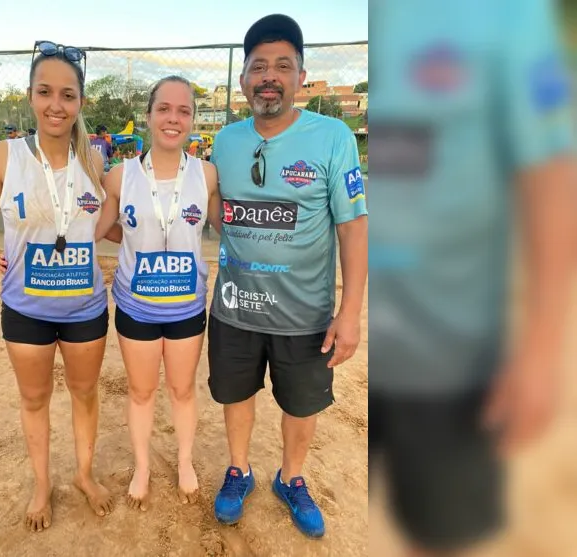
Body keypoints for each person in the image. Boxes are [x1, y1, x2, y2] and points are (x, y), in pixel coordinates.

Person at [369, 1, 576, 555]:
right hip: (364, 341)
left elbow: (553, 173)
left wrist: (541, 348)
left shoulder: (509, 16)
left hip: (450, 349)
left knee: (440, 533)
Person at [208, 14, 367, 538]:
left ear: (300, 75)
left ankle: (291, 477)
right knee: (235, 394)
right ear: (243, 81)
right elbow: (209, 210)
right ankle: (240, 469)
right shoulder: (225, 142)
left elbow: (352, 227)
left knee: (301, 403)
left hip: (305, 314)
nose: (269, 76)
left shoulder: (333, 136)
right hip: (235, 306)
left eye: (282, 65)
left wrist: (349, 313)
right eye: (258, 67)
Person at [0, 40, 114, 533]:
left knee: (85, 392)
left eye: (68, 95)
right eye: (46, 92)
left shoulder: (95, 164)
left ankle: (85, 475)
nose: (57, 104)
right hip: (25, 308)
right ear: (29, 95)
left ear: (80, 103)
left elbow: (112, 227)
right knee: (34, 400)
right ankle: (41, 484)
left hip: (85, 308)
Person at [95, 76, 222, 510]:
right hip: (136, 306)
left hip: (186, 306)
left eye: (183, 111)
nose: (173, 118)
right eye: (164, 109)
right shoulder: (120, 175)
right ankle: (144, 465)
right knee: (141, 391)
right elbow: (96, 228)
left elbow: (229, 225)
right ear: (148, 116)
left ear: (192, 120)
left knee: (183, 391)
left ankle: (185, 461)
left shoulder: (206, 175)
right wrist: (17, 250)